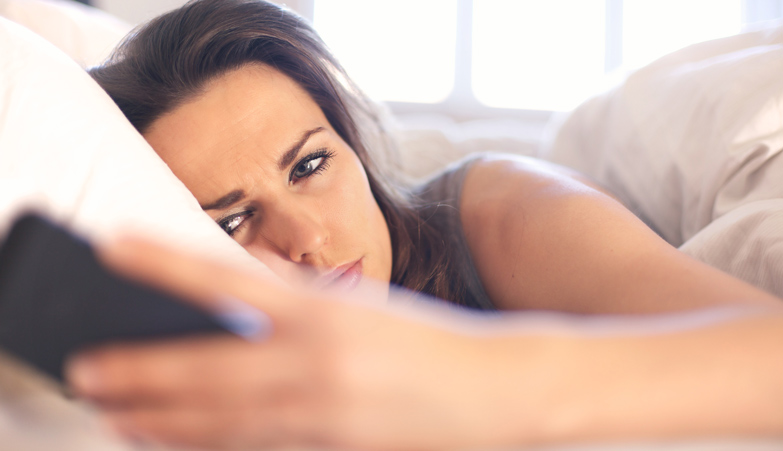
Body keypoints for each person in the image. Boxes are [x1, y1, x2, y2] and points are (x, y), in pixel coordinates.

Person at [67, 0, 783, 449]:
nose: (306, 239)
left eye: (310, 166)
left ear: (351, 142)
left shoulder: (496, 211)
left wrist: (487, 386)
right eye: (232, 221)